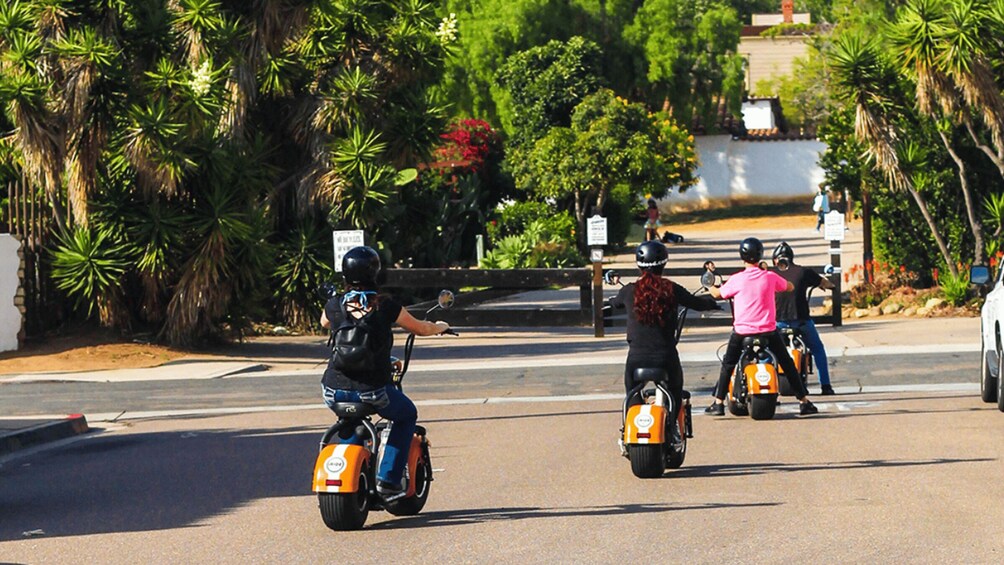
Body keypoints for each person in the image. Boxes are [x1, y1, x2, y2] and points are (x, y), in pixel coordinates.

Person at [320, 246, 450, 501]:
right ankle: (389, 479)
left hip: (333, 390)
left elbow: (325, 323)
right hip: (372, 390)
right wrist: (440, 327)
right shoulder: (385, 304)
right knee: (406, 414)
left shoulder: (334, 304)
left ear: (345, 273)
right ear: (376, 272)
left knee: (350, 417)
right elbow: (420, 328)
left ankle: (349, 460)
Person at [608, 241, 720, 441]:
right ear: (664, 264)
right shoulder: (672, 289)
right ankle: (672, 430)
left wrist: (611, 302)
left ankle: (628, 430)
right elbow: (698, 303)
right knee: (675, 390)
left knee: (631, 391)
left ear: (639, 265)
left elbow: (615, 303)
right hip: (665, 355)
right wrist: (712, 303)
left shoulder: (629, 291)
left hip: (637, 357)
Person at [705, 237, 818, 416]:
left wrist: (709, 285)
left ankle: (718, 403)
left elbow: (719, 294)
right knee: (787, 363)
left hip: (742, 331)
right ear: (760, 254)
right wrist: (767, 273)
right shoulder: (770, 277)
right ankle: (804, 401)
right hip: (768, 331)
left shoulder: (736, 279)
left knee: (728, 363)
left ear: (742, 256)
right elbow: (788, 287)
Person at [772, 241, 836, 395]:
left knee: (769, 351)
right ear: (791, 258)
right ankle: (826, 386)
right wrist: (830, 285)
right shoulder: (803, 272)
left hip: (777, 323)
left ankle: (767, 385)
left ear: (775, 260)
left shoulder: (770, 275)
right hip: (801, 321)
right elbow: (825, 283)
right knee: (817, 349)